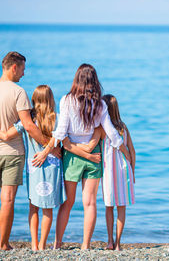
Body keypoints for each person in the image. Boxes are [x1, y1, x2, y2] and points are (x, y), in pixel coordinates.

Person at [0, 85, 97, 250]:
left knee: (33, 207)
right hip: (53, 169)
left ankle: (34, 245)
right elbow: (65, 140)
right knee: (48, 209)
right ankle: (43, 245)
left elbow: (7, 135)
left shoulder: (28, 120)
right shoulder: (57, 119)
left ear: (34, 100)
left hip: (34, 168)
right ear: (51, 99)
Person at [32, 64, 131, 250]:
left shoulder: (66, 100)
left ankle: (58, 244)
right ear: (94, 81)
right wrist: (127, 156)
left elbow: (61, 133)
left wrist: (45, 152)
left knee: (68, 203)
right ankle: (85, 246)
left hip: (71, 156)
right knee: (90, 203)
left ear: (77, 79)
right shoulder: (100, 104)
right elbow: (111, 134)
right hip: (94, 156)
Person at [0, 52, 57, 251]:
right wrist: (48, 146)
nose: (23, 73)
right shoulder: (18, 92)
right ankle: (3, 244)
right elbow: (28, 125)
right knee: (8, 199)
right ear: (14, 67)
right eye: (22, 69)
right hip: (13, 153)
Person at [99, 94, 136, 251]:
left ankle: (109, 241)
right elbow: (132, 151)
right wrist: (133, 171)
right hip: (124, 171)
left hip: (108, 172)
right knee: (122, 207)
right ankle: (118, 244)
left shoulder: (101, 129)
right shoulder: (123, 127)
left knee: (109, 207)